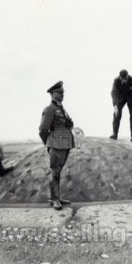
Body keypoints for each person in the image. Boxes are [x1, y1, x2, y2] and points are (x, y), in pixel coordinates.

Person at [39, 81, 75, 210]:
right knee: (55, 171)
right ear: (52, 93)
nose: (62, 95)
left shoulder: (61, 109)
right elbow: (43, 129)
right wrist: (48, 142)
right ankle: (54, 199)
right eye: (59, 92)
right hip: (56, 144)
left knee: (58, 171)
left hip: (65, 144)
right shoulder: (50, 109)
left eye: (63, 92)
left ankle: (57, 197)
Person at [110, 69, 132, 143]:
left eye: (126, 79)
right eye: (122, 79)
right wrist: (115, 106)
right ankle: (115, 134)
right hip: (120, 98)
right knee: (116, 114)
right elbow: (113, 92)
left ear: (127, 76)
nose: (124, 80)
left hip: (131, 97)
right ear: (120, 77)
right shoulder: (116, 81)